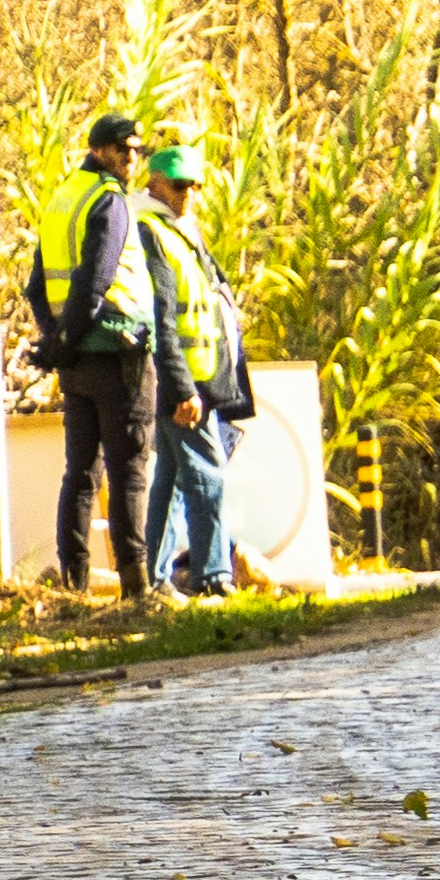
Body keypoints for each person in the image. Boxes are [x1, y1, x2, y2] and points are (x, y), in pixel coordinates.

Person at [21, 109, 178, 601]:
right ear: (98, 150)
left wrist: (57, 343)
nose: (132, 158)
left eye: (137, 150)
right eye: (122, 149)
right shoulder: (109, 201)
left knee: (81, 473)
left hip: (76, 363)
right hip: (117, 352)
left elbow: (36, 286)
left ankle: (75, 583)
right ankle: (137, 589)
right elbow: (95, 279)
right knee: (129, 471)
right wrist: (67, 339)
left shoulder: (62, 199)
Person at [137, 136, 257, 597]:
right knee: (208, 476)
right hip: (186, 382)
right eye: (178, 185)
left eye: (195, 185)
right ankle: (213, 576)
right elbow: (161, 320)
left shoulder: (181, 232)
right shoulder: (153, 232)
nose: (188, 193)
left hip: (197, 377)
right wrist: (182, 388)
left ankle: (155, 579)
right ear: (155, 184)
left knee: (170, 484)